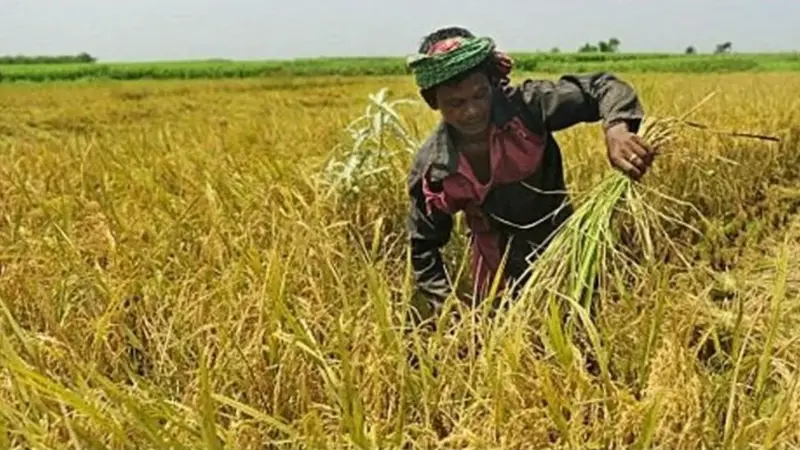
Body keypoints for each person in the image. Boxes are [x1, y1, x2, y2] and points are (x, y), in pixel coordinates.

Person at [405, 26, 654, 321]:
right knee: (506, 340)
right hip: (495, 272)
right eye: (455, 103)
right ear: (432, 101)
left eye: (480, 95)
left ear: (493, 83)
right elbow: (423, 248)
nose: (472, 111)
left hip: (563, 249)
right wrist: (446, 306)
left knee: (577, 328)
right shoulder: (435, 170)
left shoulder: (527, 107)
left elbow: (602, 87)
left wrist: (617, 130)